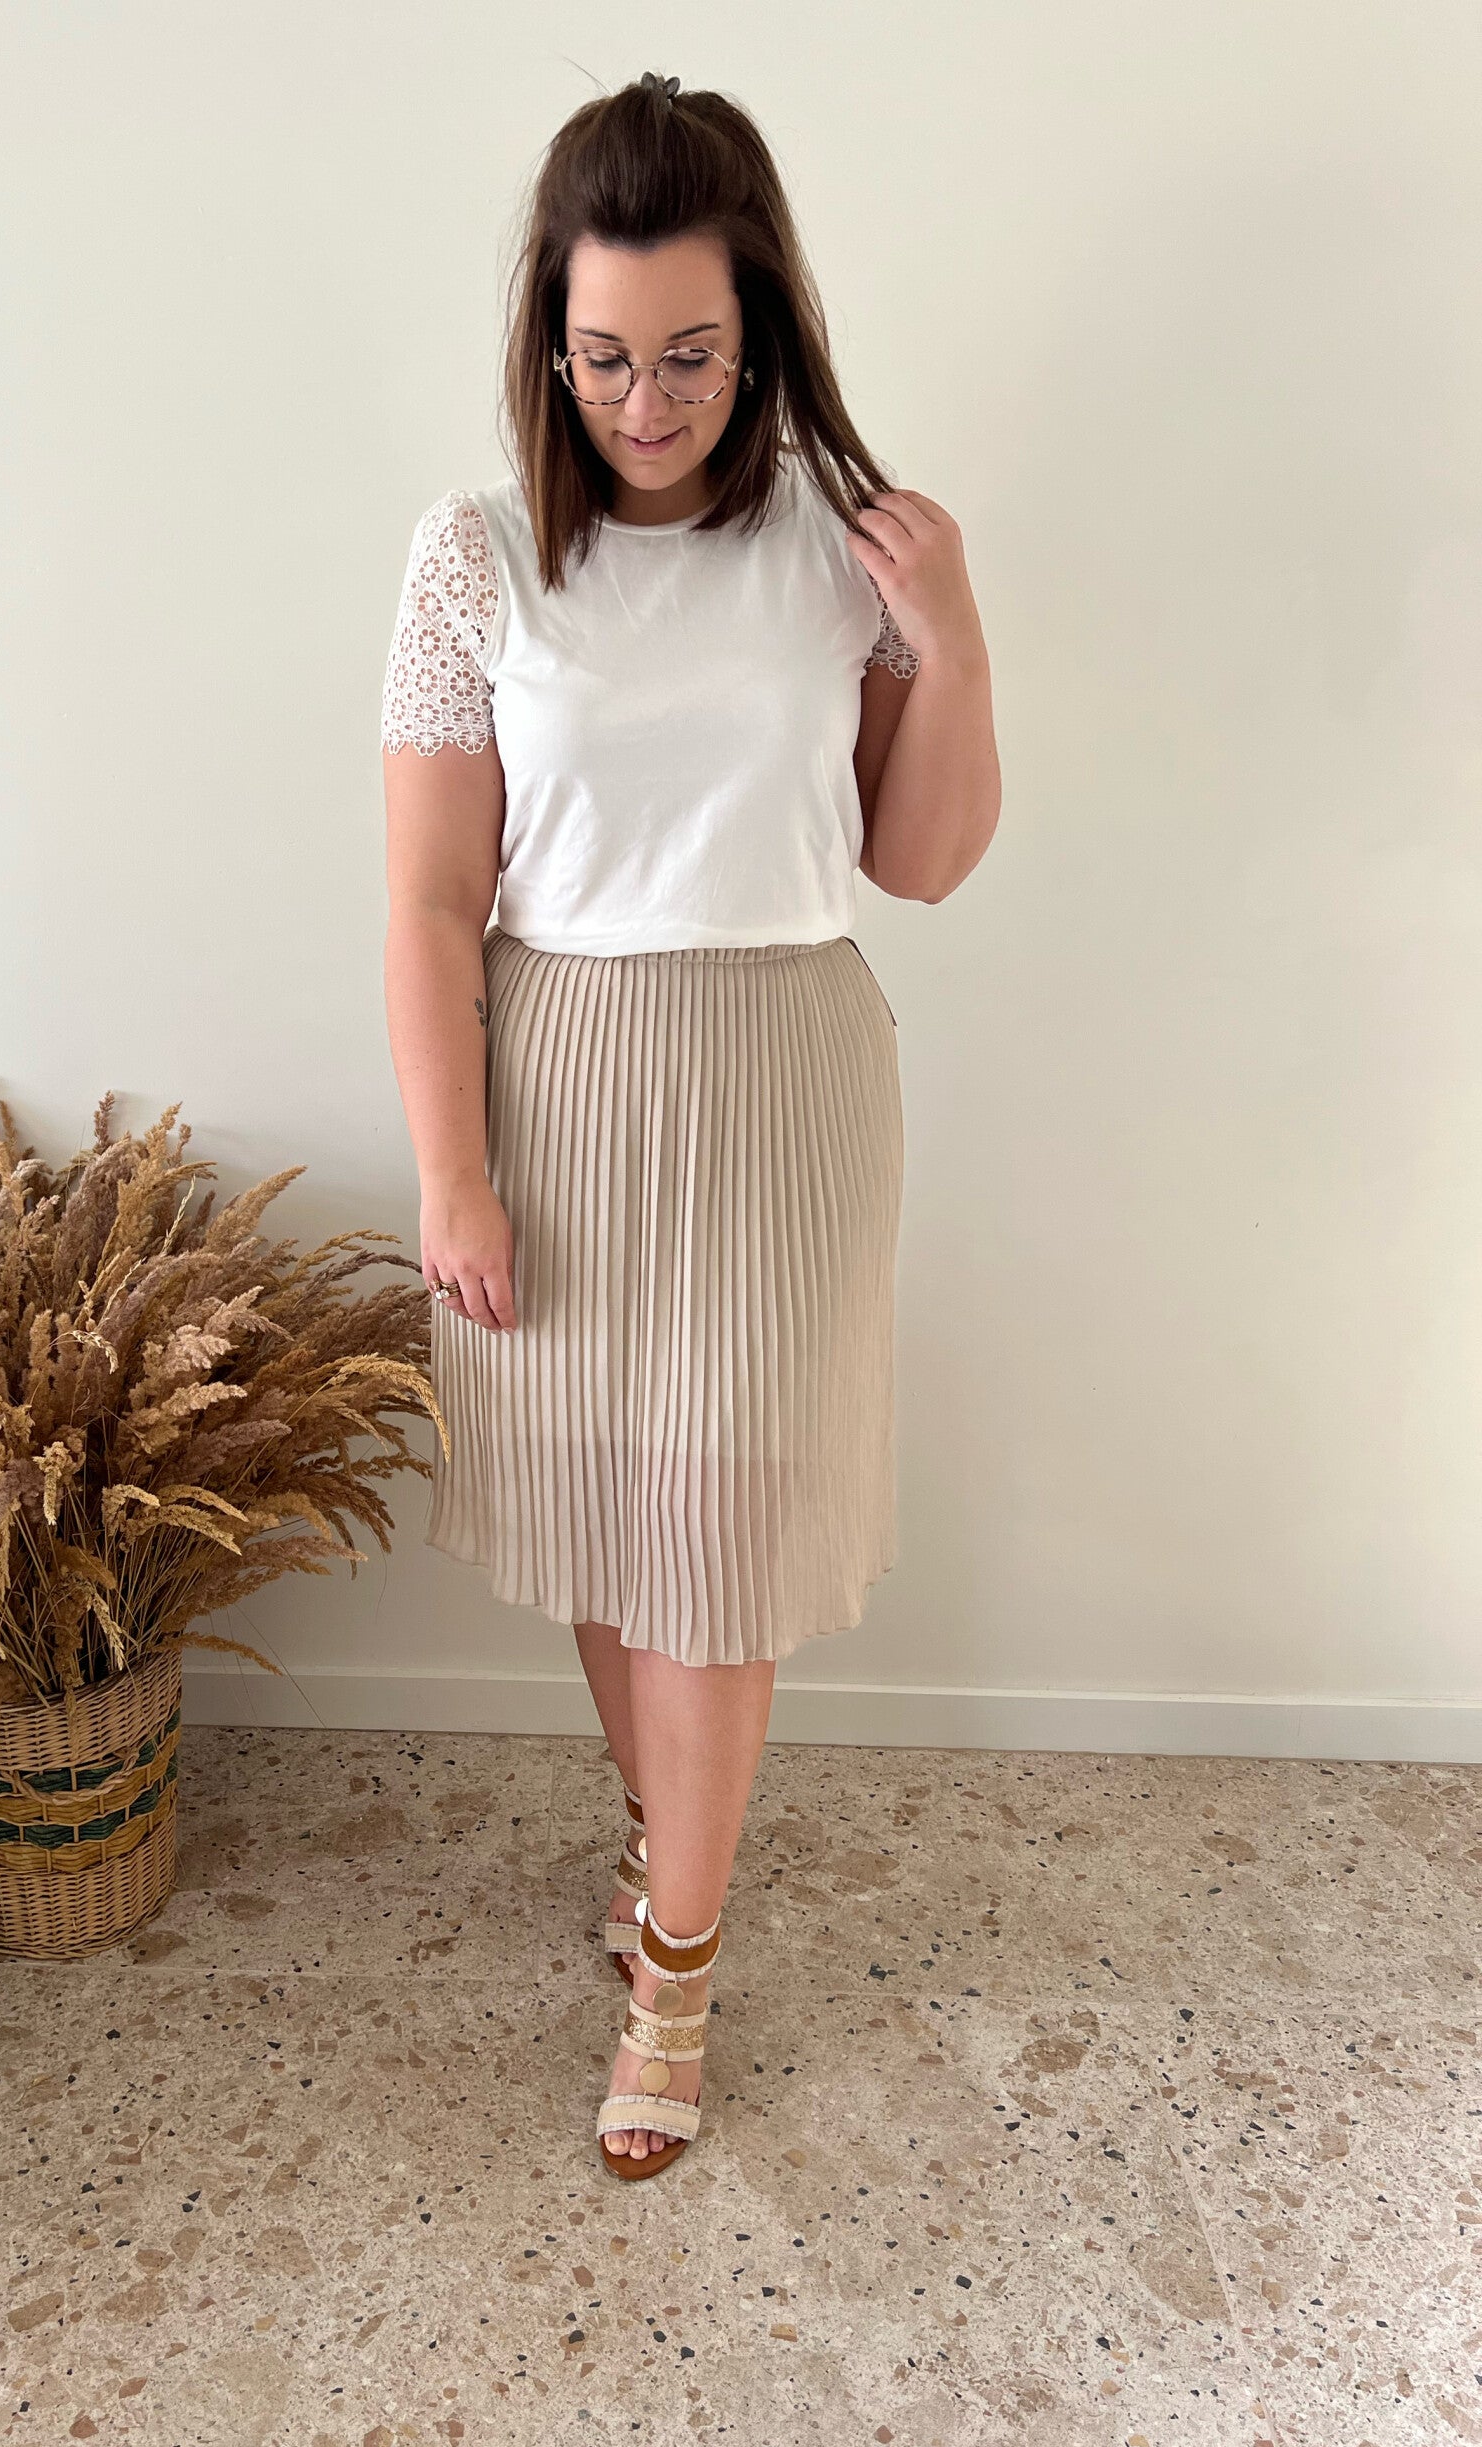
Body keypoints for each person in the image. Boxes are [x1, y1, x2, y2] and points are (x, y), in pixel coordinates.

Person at [379, 71, 1000, 2177]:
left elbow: (923, 858)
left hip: (779, 1073)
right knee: (603, 1512)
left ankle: (679, 1969)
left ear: (765, 331)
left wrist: (951, 638)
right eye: (604, 355)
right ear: (550, 342)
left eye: (692, 355)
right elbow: (430, 901)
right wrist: (454, 1168)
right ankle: (666, 1842)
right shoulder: (471, 560)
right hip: (554, 1069)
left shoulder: (847, 546)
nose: (646, 401)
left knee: (715, 1541)